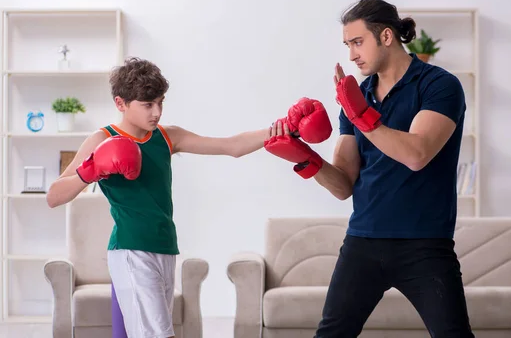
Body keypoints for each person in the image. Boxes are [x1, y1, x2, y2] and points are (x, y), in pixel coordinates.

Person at [45, 57, 330, 338]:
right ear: (120, 104)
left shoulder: (167, 136)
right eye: (147, 105)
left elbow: (230, 146)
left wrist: (280, 129)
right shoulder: (101, 140)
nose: (156, 112)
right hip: (131, 250)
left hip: (165, 248)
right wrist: (90, 170)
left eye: (160, 102)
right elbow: (54, 196)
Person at [265, 0, 475, 338]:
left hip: (425, 244)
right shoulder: (356, 97)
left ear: (387, 36)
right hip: (364, 241)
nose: (351, 55)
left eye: (358, 42)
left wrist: (361, 114)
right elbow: (343, 184)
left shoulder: (438, 85)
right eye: (347, 45)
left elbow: (417, 153)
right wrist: (305, 158)